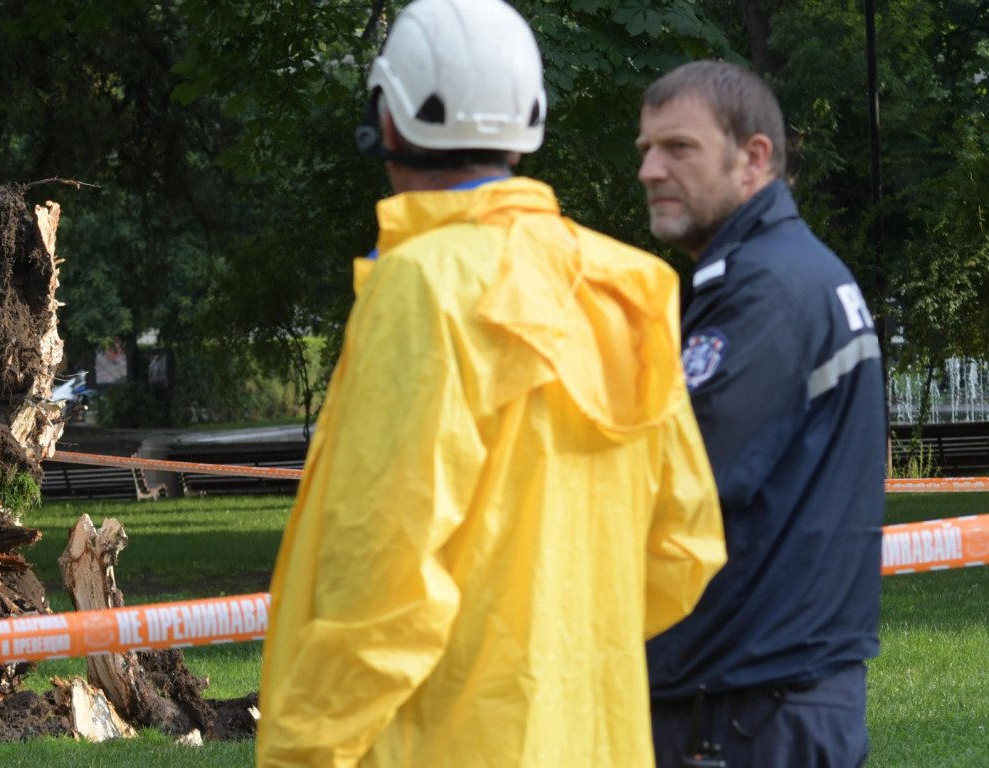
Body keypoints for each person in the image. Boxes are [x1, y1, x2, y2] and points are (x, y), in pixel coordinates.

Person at [254, 1, 727, 765]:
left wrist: (303, 751)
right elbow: (686, 547)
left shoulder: (421, 289)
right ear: (527, 120)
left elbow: (387, 576)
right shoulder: (626, 287)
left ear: (390, 118)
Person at [636, 60, 886, 767]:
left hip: (746, 713)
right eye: (646, 149)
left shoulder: (766, 290)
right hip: (765, 701)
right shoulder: (784, 271)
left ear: (754, 158)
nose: (651, 169)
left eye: (678, 147)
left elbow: (683, 486)